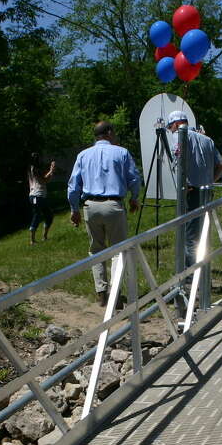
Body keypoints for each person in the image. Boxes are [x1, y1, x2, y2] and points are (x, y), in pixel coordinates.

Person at [66, 121, 141, 306]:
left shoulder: (83, 155)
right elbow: (134, 177)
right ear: (109, 133)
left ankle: (101, 292)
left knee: (96, 250)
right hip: (114, 205)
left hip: (90, 206)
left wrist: (74, 209)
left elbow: (73, 185)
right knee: (118, 251)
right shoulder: (121, 152)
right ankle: (115, 293)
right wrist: (134, 197)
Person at [167, 110, 222, 277]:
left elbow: (177, 159)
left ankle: (192, 274)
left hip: (191, 191)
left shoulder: (179, 135)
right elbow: (221, 165)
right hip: (207, 190)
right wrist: (211, 180)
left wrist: (183, 184)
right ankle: (202, 269)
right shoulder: (207, 139)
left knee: (189, 235)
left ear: (176, 124)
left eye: (171, 128)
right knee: (202, 232)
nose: (171, 131)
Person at [26, 153, 56, 245]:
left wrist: (51, 171)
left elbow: (45, 180)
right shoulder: (34, 169)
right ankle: (33, 240)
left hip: (37, 196)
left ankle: (44, 237)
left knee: (48, 216)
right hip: (37, 196)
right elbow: (44, 180)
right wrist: (51, 170)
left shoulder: (31, 169)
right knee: (37, 216)